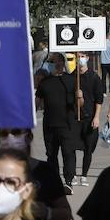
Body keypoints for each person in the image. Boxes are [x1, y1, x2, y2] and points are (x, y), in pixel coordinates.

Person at [35, 53, 80, 189]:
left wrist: (80, 97)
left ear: (62, 63)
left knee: (68, 153)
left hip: (67, 124)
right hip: (49, 124)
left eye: (58, 61)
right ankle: (54, 180)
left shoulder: (72, 80)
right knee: (51, 155)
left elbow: (80, 105)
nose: (56, 64)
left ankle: (68, 181)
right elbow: (37, 102)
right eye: (52, 62)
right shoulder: (45, 82)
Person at [73, 54, 105, 187]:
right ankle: (72, 174)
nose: (80, 58)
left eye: (82, 56)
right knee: (71, 147)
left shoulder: (94, 77)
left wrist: (97, 117)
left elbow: (99, 99)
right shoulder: (72, 76)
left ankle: (84, 175)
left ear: (87, 58)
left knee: (89, 148)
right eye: (78, 56)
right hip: (74, 118)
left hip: (90, 117)